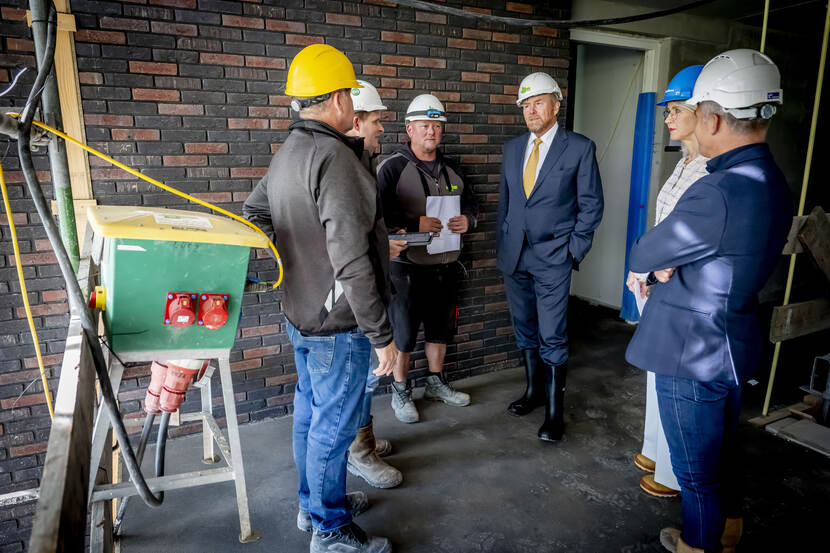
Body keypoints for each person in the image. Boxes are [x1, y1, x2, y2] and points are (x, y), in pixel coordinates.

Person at [625, 49, 792, 553]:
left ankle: (699, 545)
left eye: (693, 112)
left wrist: (656, 263)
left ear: (714, 118)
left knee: (696, 474)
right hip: (731, 339)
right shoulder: (771, 179)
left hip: (691, 348)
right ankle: (729, 529)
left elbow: (646, 249)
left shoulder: (718, 188)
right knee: (723, 455)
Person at [243, 44, 396, 553]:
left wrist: (297, 261)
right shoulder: (335, 158)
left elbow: (255, 212)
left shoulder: (289, 153)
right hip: (340, 323)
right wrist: (383, 338)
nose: (355, 104)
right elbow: (352, 260)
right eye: (351, 95)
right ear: (335, 99)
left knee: (310, 414)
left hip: (300, 313)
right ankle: (330, 529)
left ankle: (314, 507)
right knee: (333, 425)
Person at [497, 72, 604, 442]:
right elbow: (507, 205)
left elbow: (591, 206)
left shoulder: (578, 148)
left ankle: (555, 414)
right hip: (515, 257)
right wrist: (504, 245)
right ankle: (534, 392)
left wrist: (573, 250)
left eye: (538, 102)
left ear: (556, 105)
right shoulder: (512, 149)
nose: (531, 110)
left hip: (554, 256)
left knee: (552, 334)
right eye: (525, 105)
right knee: (525, 328)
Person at [627, 65, 707, 499]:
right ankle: (655, 449)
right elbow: (665, 224)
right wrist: (642, 268)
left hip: (681, 291)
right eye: (667, 110)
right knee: (658, 377)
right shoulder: (685, 161)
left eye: (677, 110)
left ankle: (676, 475)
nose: (668, 118)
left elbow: (695, 236)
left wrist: (658, 265)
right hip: (658, 285)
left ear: (705, 112)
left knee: (676, 384)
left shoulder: (713, 170)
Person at [377, 93, 479, 424]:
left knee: (440, 328)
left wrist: (469, 221)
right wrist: (410, 224)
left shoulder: (453, 169)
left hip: (445, 266)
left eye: (436, 125)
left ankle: (435, 383)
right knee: (404, 332)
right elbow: (374, 215)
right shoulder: (391, 167)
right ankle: (401, 389)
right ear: (410, 129)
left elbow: (473, 205)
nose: (431, 132)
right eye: (424, 126)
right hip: (406, 269)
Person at [344, 80, 404, 489]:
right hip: (350, 301)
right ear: (356, 120)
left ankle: (360, 441)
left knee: (362, 377)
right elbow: (348, 248)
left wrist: (385, 248)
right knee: (360, 378)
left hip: (361, 294)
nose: (383, 127)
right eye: (377, 120)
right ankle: (358, 452)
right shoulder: (344, 167)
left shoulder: (362, 159)